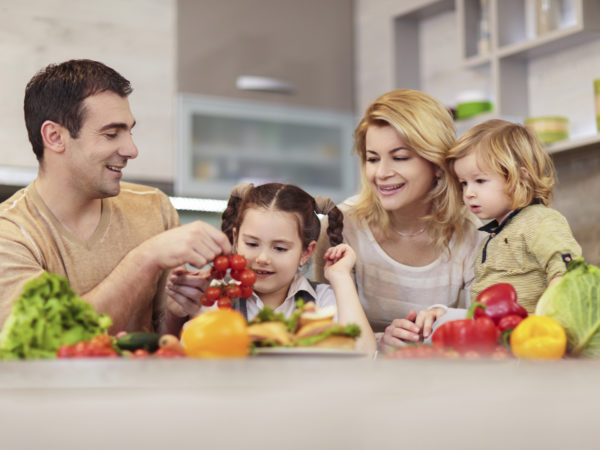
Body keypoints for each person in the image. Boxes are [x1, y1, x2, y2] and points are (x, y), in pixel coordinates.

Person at [0, 59, 231, 334]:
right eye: (111, 134)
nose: (132, 149)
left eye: (129, 131)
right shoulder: (10, 235)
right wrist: (145, 258)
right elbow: (53, 341)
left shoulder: (154, 207)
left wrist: (178, 312)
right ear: (54, 137)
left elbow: (164, 342)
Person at [313, 89, 483, 350]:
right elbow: (323, 329)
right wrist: (382, 342)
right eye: (372, 158)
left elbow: (487, 327)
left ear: (437, 164)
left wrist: (445, 319)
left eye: (400, 157)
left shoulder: (474, 234)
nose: (381, 173)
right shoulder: (342, 226)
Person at [167, 182, 377, 354]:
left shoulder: (324, 301)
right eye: (251, 244)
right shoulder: (216, 296)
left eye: (279, 248)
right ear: (235, 239)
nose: (262, 258)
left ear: (306, 252)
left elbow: (364, 357)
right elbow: (193, 354)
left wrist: (340, 277)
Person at [446, 119, 582, 312]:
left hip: (534, 335)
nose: (468, 193)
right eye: (464, 183)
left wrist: (546, 317)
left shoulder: (540, 220)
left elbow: (567, 271)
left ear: (521, 179)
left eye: (480, 180)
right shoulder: (491, 238)